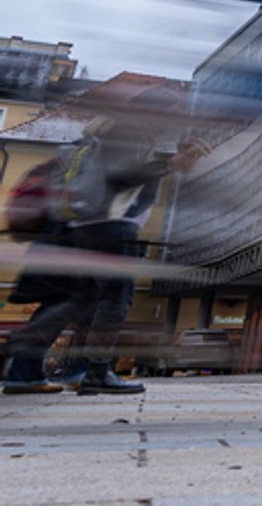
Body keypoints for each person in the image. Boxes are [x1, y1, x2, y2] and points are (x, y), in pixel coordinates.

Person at [1, 107, 206, 395]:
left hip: (64, 234)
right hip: (78, 234)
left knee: (84, 303)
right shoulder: (116, 144)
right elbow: (120, 183)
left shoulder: (80, 150)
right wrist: (169, 163)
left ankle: (69, 369)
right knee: (86, 301)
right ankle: (36, 367)